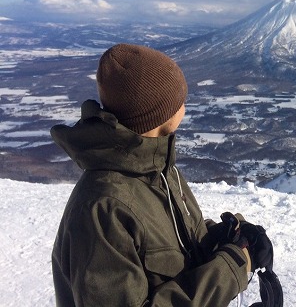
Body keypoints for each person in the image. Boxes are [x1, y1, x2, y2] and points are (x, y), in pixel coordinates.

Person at [51, 43, 274, 306]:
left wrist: (229, 239)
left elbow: (177, 248)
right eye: (179, 100)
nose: (184, 106)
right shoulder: (103, 209)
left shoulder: (159, 170)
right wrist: (229, 270)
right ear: (158, 114)